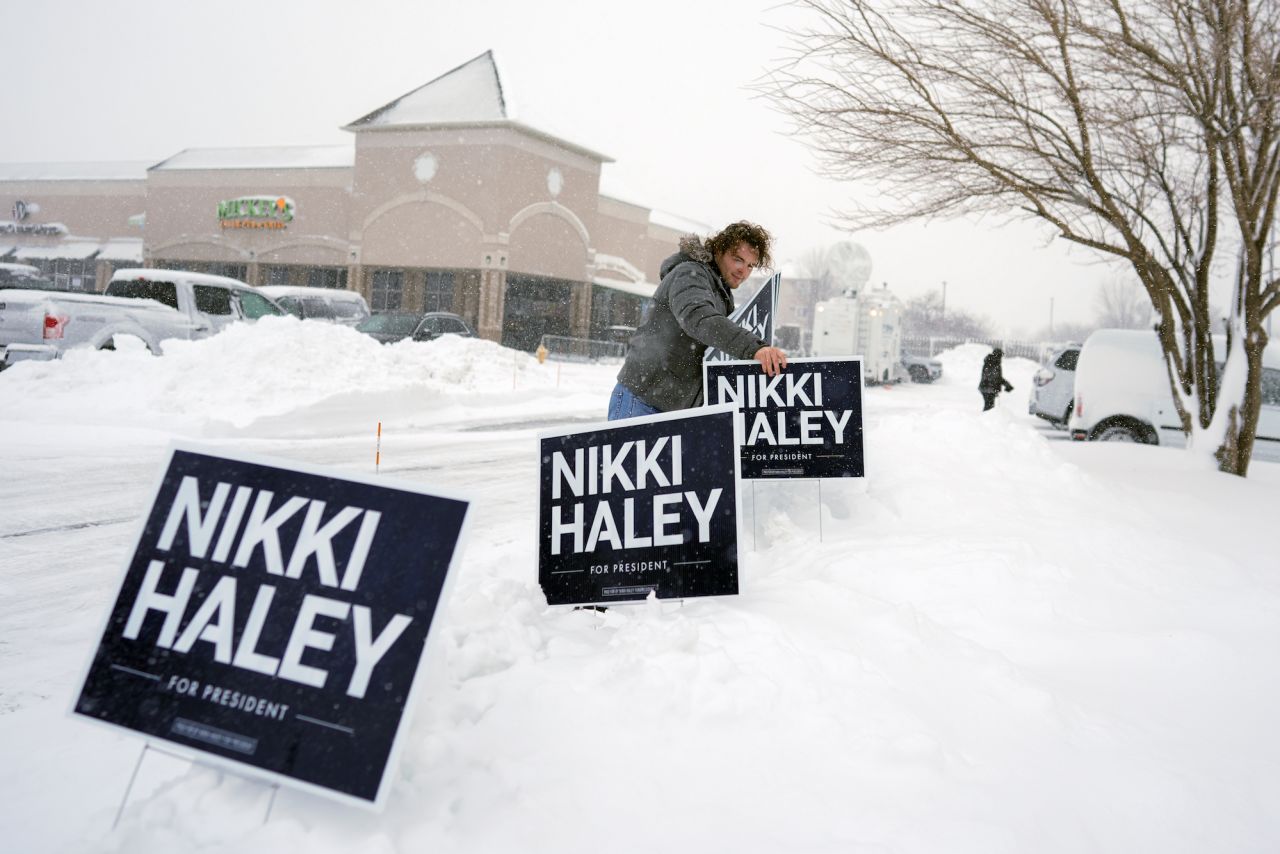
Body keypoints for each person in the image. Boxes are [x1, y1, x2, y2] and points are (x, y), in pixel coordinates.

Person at [608, 221, 787, 419]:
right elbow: (698, 317)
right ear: (719, 250)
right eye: (738, 259)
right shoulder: (689, 274)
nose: (743, 271)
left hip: (674, 411)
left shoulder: (721, 293)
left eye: (750, 266)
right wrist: (754, 348)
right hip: (642, 402)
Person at [979, 347, 1014, 411]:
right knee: (989, 407)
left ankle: (986, 419)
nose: (1001, 358)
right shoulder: (992, 363)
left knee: (989, 406)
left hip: (987, 388)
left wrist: (1007, 384)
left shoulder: (994, 363)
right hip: (987, 388)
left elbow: (998, 377)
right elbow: (992, 377)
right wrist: (1002, 385)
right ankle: (985, 419)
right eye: (1000, 355)